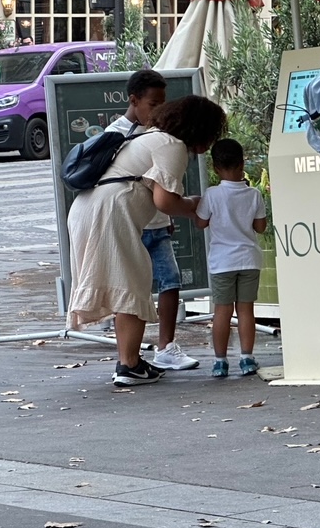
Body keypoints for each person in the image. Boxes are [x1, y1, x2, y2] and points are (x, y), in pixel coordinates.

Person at [66, 95, 227, 387]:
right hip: (111, 212)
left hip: (87, 208)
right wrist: (194, 207)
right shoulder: (172, 146)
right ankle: (128, 364)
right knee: (132, 283)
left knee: (123, 283)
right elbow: (165, 201)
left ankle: (130, 362)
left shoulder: (149, 137)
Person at [106, 69, 199, 371]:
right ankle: (129, 359)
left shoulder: (158, 133)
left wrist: (166, 214)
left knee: (169, 281)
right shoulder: (117, 134)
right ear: (133, 100)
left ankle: (165, 346)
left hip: (155, 221)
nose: (158, 110)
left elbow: (160, 185)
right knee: (130, 290)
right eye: (152, 103)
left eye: (162, 103)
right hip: (128, 222)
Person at [194, 138, 268, 377]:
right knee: (246, 310)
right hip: (248, 259)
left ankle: (220, 362)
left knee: (222, 311)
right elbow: (260, 227)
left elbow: (200, 222)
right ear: (242, 163)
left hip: (222, 262)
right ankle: (247, 359)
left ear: (215, 167)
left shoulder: (212, 195)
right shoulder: (254, 194)